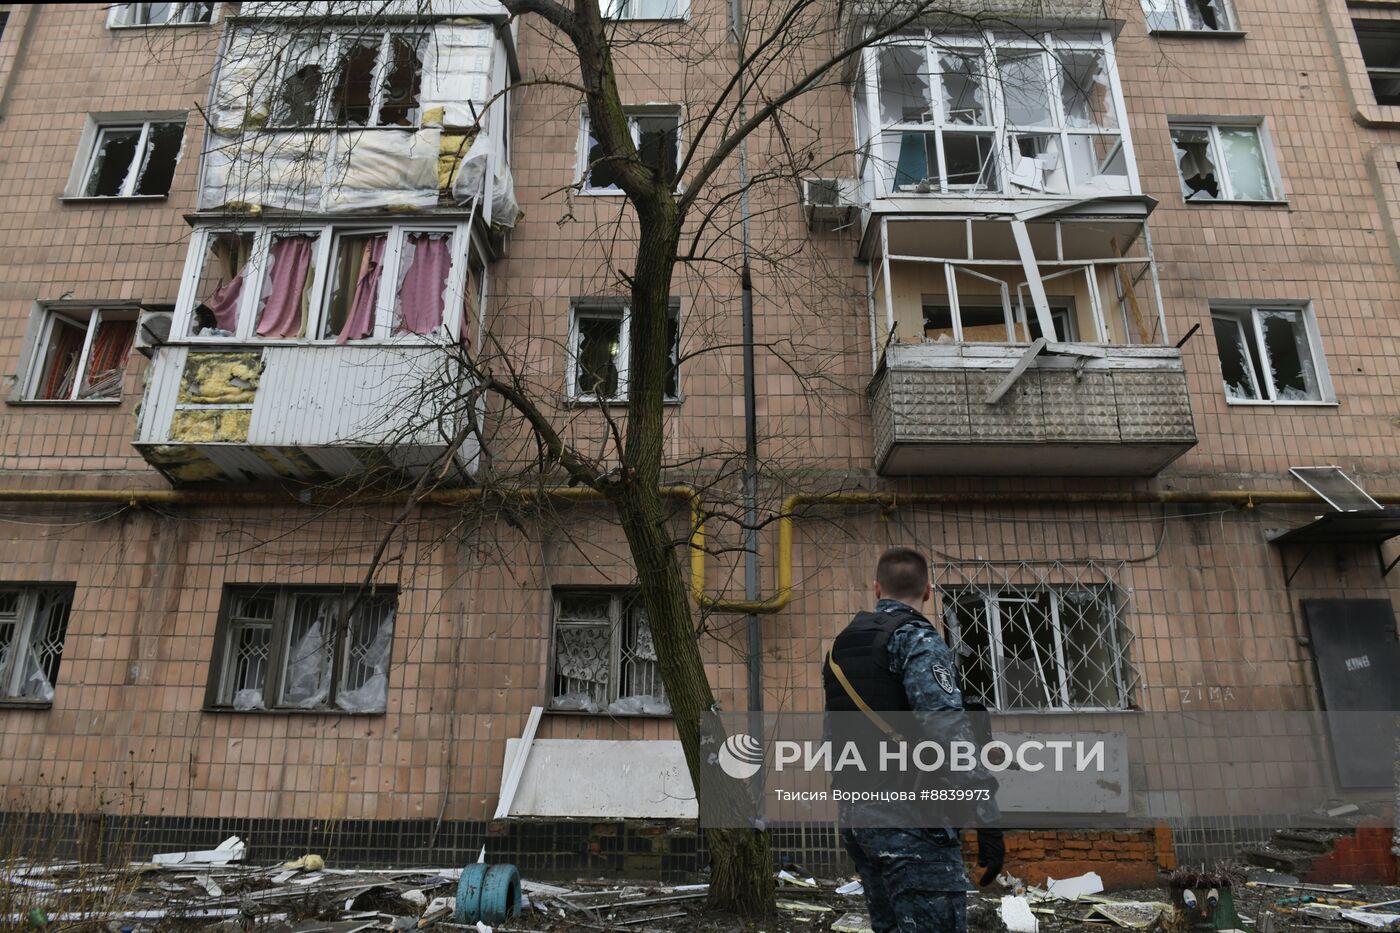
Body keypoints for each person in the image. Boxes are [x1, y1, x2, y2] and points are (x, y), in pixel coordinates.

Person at [822, 546, 1004, 933]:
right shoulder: (916, 639)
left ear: (876, 588)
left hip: (858, 817)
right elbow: (945, 727)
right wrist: (986, 816)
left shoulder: (842, 646)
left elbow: (833, 735)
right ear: (927, 592)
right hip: (912, 821)